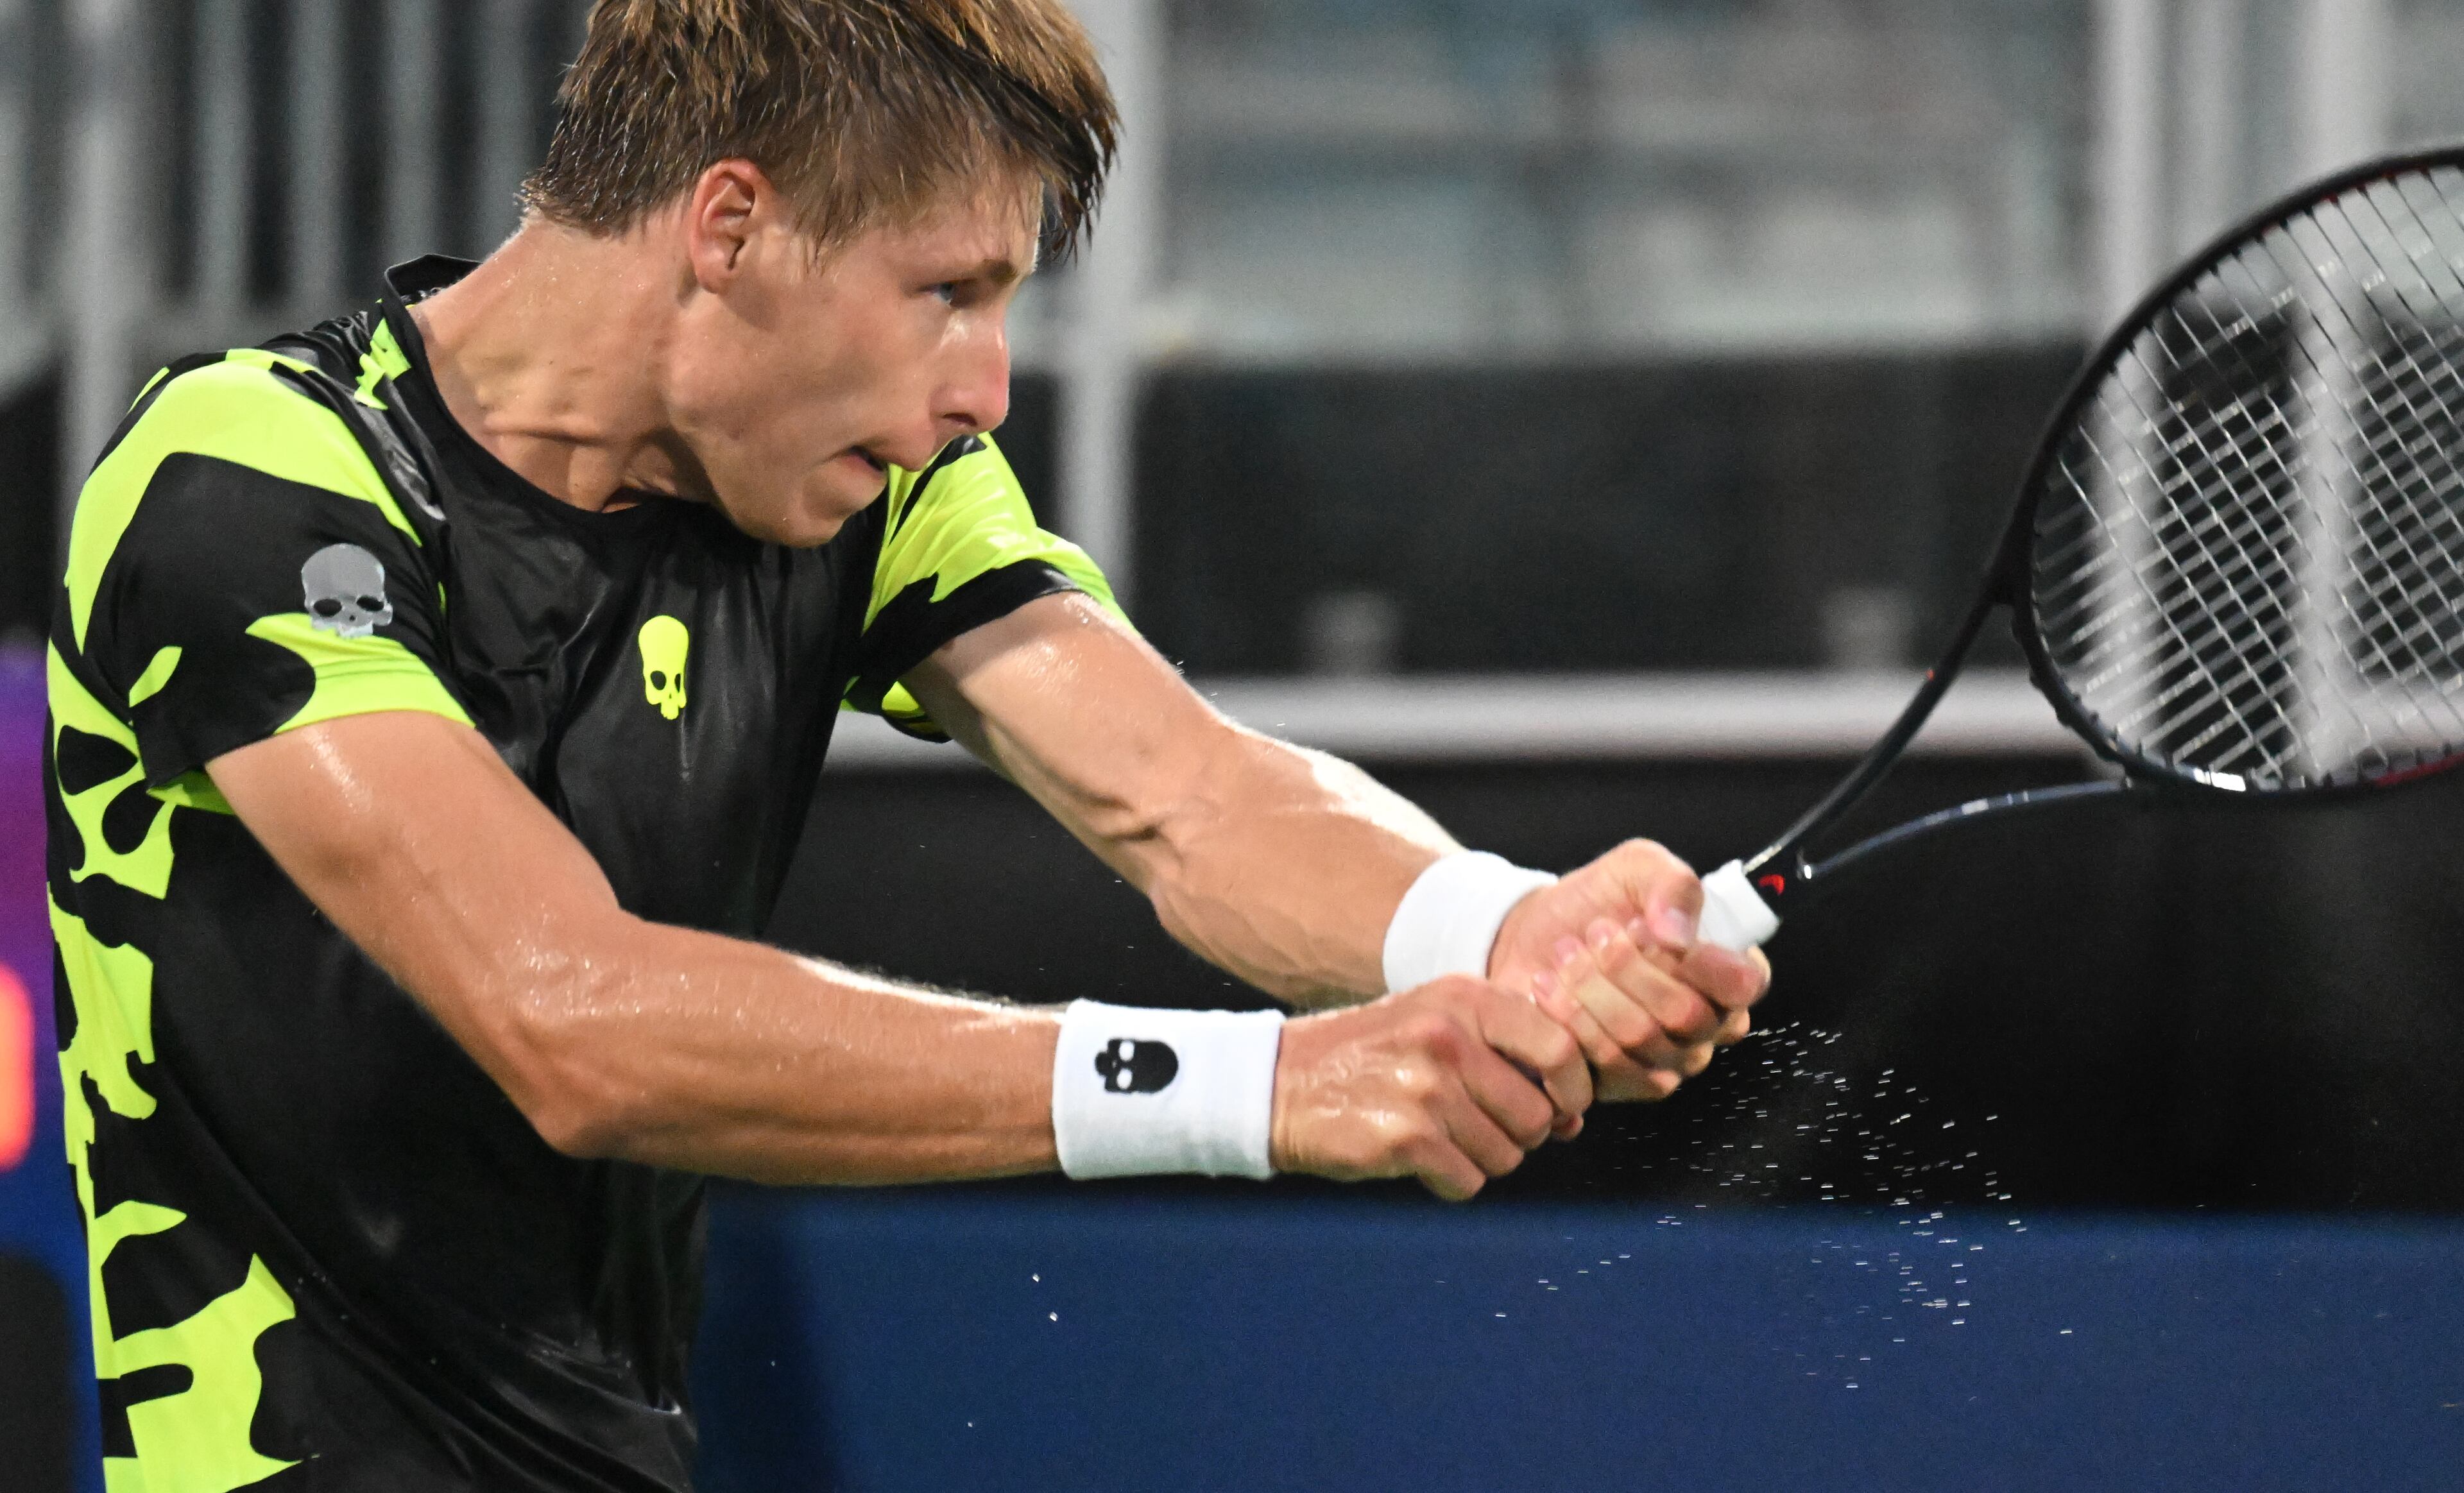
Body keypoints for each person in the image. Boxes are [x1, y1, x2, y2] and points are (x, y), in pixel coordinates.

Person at [44, 1, 1770, 1485]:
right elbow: (570, 1021)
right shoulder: (248, 483)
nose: (991, 385)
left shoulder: (865, 493)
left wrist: (1484, 926)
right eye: (947, 288)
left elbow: (1183, 791)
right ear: (729, 225)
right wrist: (1266, 1087)